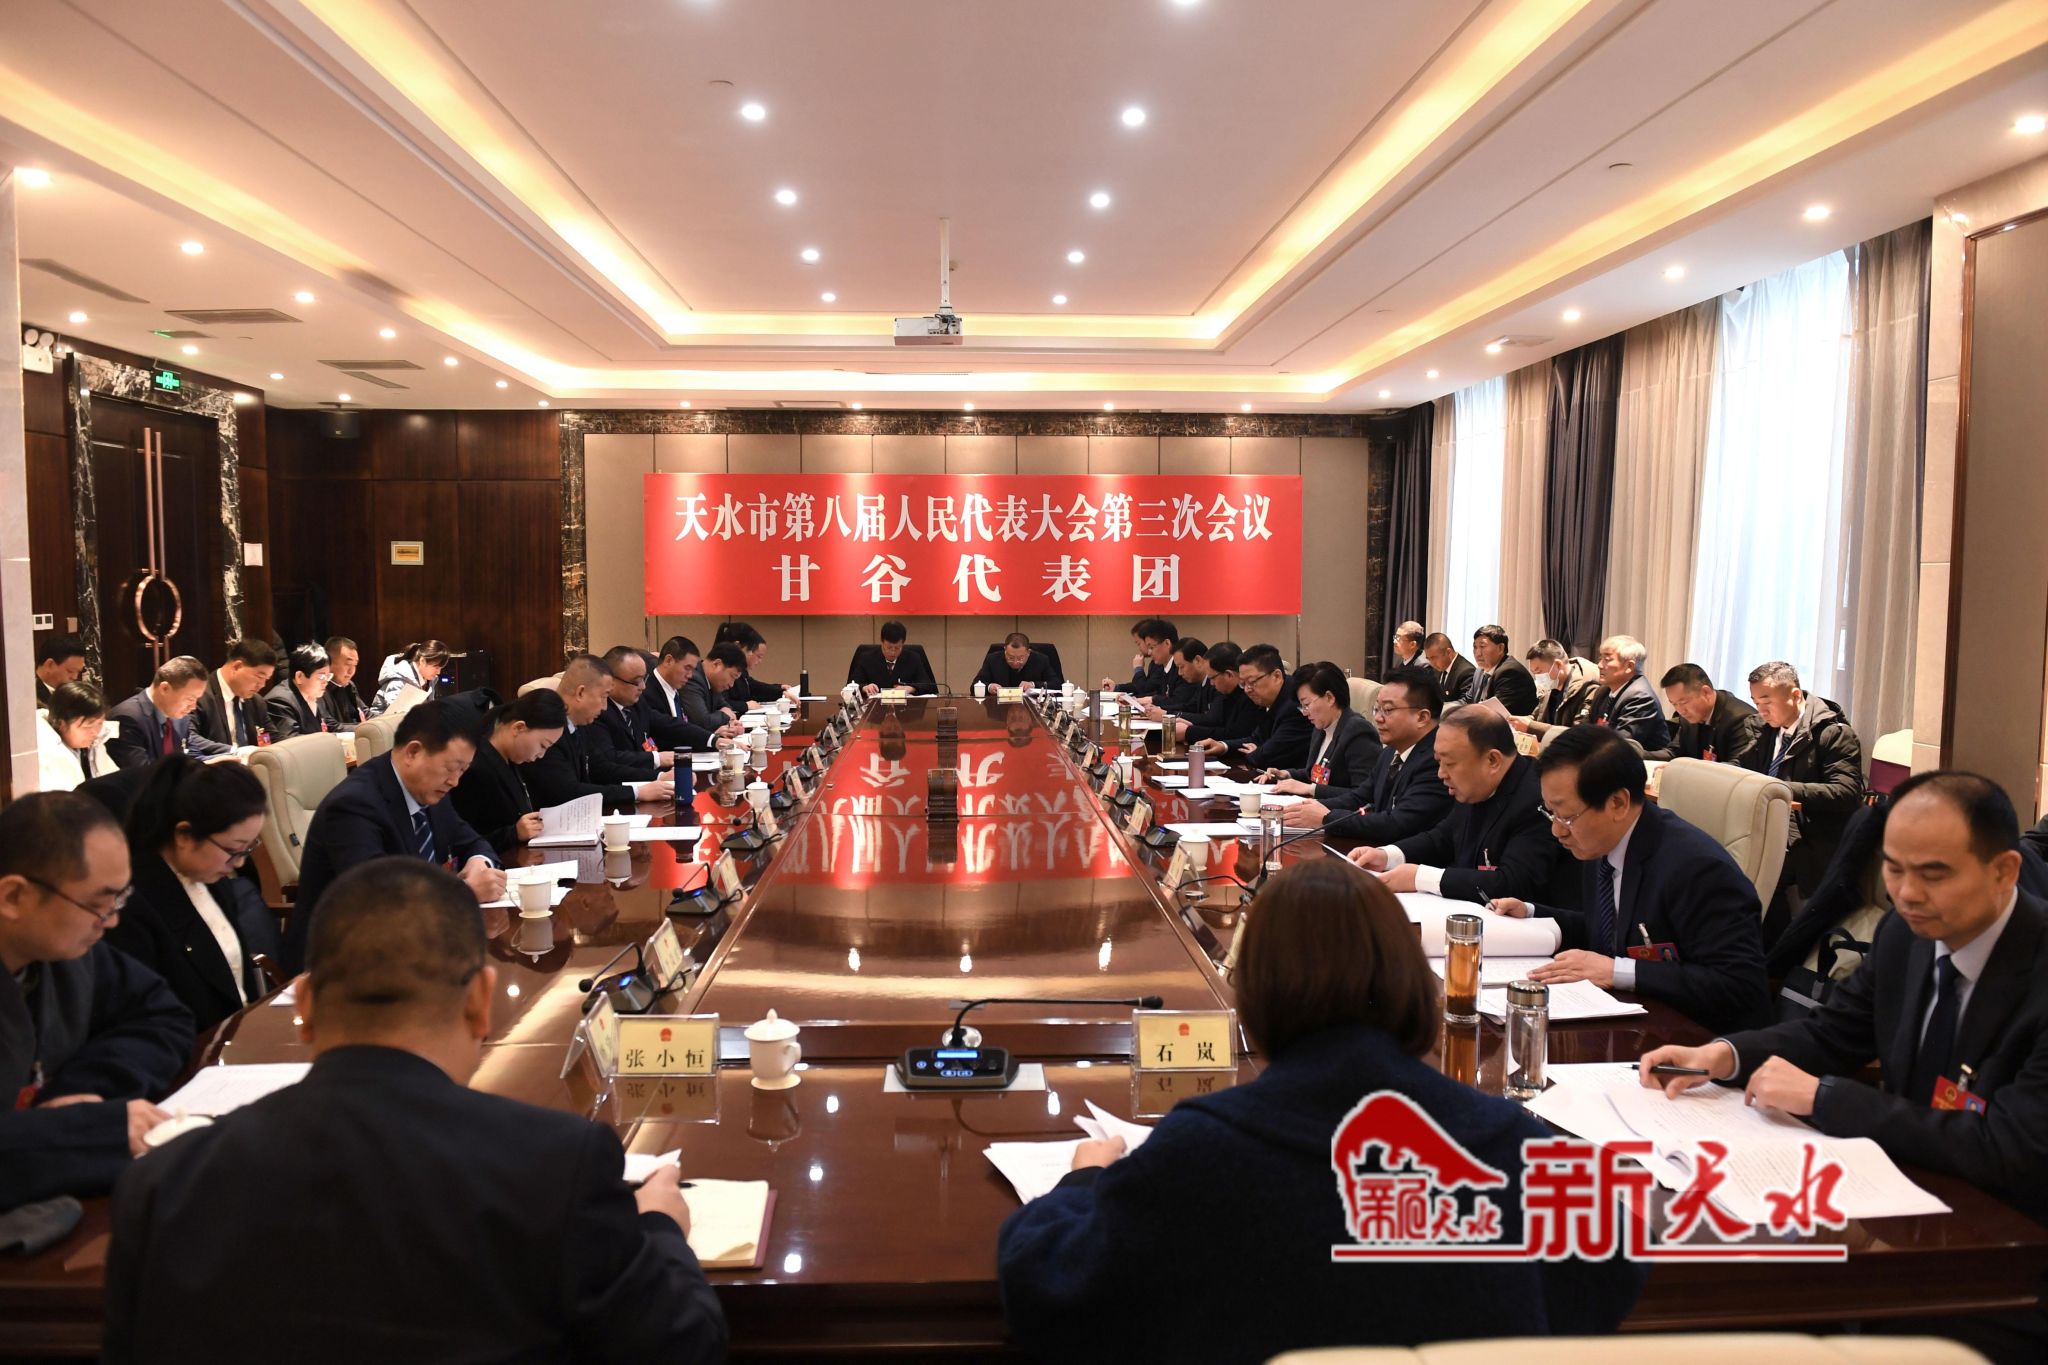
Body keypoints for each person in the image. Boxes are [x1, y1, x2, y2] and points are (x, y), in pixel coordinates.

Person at [997, 860, 1644, 1362]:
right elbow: (1610, 1267)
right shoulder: (1510, 1142)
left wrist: (1084, 1179)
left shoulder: (1202, 1150)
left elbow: (1051, 1288)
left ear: (1258, 994)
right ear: (1411, 980)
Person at [103, 857, 728, 1363]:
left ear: (305, 1006)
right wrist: (659, 1227)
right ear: (480, 1000)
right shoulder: (558, 1165)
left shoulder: (160, 1185)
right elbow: (681, 1345)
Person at [1640, 771, 2048, 1357]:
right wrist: (1724, 1054)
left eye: (1933, 874)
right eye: (1893, 869)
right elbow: (1832, 1033)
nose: (1906, 893)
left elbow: (2010, 1148)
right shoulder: (1905, 936)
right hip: (1907, 1202)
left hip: (2016, 1255)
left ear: (2004, 871)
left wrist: (1827, 1098)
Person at [1488, 727, 1771, 1032]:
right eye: (1551, 813)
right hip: (1628, 1020)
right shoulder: (1601, 843)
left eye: (1566, 816)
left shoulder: (1697, 868)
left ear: (1618, 803)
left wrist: (1617, 971)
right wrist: (1531, 913)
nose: (1557, 830)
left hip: (1695, 1038)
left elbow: (1739, 986)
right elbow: (1610, 929)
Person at [0, 792, 193, 1211]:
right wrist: (81, 1129)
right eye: (97, 904)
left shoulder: (68, 956)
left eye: (119, 899)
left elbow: (163, 1015)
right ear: (13, 897)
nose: (113, 920)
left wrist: (83, 1091)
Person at [283, 700, 505, 973]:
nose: (455, 781)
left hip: (417, 947)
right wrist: (465, 892)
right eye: (450, 768)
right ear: (413, 752)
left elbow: (473, 841)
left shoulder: (429, 789)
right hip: (343, 964)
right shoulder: (353, 806)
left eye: (463, 771)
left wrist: (479, 862)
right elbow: (377, 901)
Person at [105, 757, 279, 1034]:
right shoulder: (134, 904)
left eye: (248, 848)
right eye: (233, 850)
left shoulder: (212, 878)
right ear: (184, 835)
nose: (239, 862)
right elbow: (148, 1017)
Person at [1347, 706, 1576, 906]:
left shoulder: (1538, 798)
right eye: (1439, 762)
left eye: (1449, 763)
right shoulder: (1474, 786)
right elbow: (1443, 837)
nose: (1441, 774)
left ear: (1492, 760)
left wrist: (1421, 877)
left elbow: (1514, 883)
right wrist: (1387, 855)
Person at [1742, 660, 1865, 903]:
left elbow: (1847, 792)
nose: (1761, 711)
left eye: (1767, 703)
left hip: (1811, 834)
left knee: (1754, 876)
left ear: (1795, 696)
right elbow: (1742, 767)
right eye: (1756, 703)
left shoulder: (1833, 733)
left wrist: (1779, 788)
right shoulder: (1764, 729)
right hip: (1770, 824)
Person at [1286, 667, 1452, 840]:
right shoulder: (1390, 752)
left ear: (1422, 717)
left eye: (1388, 710)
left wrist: (1326, 817)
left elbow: (1397, 824)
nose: (1378, 718)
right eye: (1376, 709)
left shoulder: (1438, 760)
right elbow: (1359, 797)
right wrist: (1303, 808)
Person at [521, 656, 674, 815]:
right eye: (604, 696)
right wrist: (636, 792)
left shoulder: (578, 723)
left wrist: (658, 777)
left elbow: (601, 768)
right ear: (580, 693)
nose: (605, 707)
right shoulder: (546, 730)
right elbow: (568, 792)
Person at [449, 689, 568, 856]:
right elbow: (459, 842)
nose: (541, 755)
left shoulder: (511, 759)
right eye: (542, 745)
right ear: (519, 728)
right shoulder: (475, 767)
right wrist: (513, 833)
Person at [1260, 663, 1380, 800]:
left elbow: (1364, 796)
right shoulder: (1320, 728)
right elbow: (1318, 776)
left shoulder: (1358, 731)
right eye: (1302, 706)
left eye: (1306, 705)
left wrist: (1311, 789)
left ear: (1329, 698)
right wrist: (1287, 775)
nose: (1304, 713)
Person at [106, 656, 232, 769]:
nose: (193, 707)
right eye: (190, 699)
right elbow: (143, 774)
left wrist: (223, 761)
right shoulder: (127, 718)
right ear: (164, 688)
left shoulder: (181, 718)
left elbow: (191, 755)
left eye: (196, 699)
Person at [1646, 662, 1763, 766]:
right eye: (1674, 704)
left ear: (1706, 692)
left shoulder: (1741, 719)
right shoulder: (1689, 715)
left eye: (1683, 702)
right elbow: (1675, 752)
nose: (1680, 710)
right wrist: (1640, 755)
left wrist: (1686, 771)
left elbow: (1737, 767)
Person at [591, 646, 681, 778]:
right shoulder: (597, 711)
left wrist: (710, 739)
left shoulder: (636, 703)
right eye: (636, 681)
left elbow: (667, 724)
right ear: (611, 680)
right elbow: (608, 761)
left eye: (644, 679)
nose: (643, 687)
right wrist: (657, 764)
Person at [1583, 635, 1670, 753]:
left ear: (1629, 666)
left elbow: (1619, 744)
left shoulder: (1641, 698)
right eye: (1600, 658)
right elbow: (1585, 730)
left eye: (1607, 660)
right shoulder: (1603, 691)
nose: (1599, 665)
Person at [190, 638, 279, 749]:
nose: (262, 685)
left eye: (266, 679)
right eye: (260, 677)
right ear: (237, 667)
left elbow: (272, 738)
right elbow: (190, 738)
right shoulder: (198, 696)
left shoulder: (256, 702)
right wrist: (234, 752)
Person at [1238, 651, 1316, 772]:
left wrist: (1256, 753)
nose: (1247, 690)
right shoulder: (1269, 699)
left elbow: (1267, 757)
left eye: (1252, 682)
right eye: (1243, 684)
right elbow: (1257, 739)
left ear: (1276, 676)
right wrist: (1223, 746)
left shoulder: (1294, 704)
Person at [36, 680, 114, 792]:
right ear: (61, 723)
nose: (95, 732)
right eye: (88, 726)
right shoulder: (43, 753)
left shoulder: (95, 743)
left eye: (99, 724)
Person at [1515, 640, 1600, 738]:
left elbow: (1578, 734)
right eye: (1534, 673)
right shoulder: (1551, 687)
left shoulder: (1587, 689)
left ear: (1558, 665)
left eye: (1539, 672)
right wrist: (1518, 722)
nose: (1538, 678)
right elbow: (1536, 717)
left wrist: (1531, 726)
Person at [1178, 642, 1256, 748]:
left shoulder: (1251, 696)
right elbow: (1217, 724)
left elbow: (1234, 735)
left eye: (1212, 678)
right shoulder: (1226, 692)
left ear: (1229, 674)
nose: (1211, 683)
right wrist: (1192, 725)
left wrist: (1189, 732)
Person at [264, 643, 332, 740]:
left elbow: (331, 726)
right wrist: (331, 740)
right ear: (299, 676)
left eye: (328, 676)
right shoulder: (280, 701)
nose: (326, 682)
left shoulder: (316, 694)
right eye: (321, 676)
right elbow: (292, 740)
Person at [367, 639, 451, 717]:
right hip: (381, 723)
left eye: (441, 668)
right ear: (422, 661)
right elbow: (395, 714)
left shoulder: (430, 679)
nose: (438, 672)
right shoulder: (399, 679)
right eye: (436, 667)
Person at [848, 620, 938, 694]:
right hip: (875, 707)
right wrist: (864, 687)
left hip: (906, 708)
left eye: (897, 648)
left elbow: (928, 685)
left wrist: (911, 688)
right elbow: (851, 685)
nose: (893, 652)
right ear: (882, 642)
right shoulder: (867, 659)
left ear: (903, 643)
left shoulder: (913, 658)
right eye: (889, 647)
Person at [1467, 625, 1538, 714]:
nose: (1477, 653)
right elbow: (1468, 700)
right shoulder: (1479, 671)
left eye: (1482, 646)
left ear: (1500, 648)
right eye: (1475, 647)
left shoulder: (1510, 672)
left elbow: (1494, 713)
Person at [715, 622, 786, 709]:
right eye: (750, 651)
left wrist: (779, 690)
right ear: (737, 646)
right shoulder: (721, 669)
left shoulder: (740, 671)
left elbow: (751, 686)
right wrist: (745, 705)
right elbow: (719, 703)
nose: (750, 654)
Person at [1140, 638, 1211, 722]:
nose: (1179, 673)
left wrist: (1167, 715)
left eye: (1182, 667)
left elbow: (1211, 720)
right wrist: (1162, 710)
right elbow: (1189, 707)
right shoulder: (1201, 683)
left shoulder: (1215, 685)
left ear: (1198, 661)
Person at [683, 643, 745, 732]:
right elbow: (703, 722)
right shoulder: (693, 679)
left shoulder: (713, 683)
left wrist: (725, 715)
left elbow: (726, 707)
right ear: (716, 664)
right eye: (732, 676)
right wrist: (726, 715)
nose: (732, 684)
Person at [1114, 619, 1177, 700]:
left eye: (1151, 647)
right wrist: (1118, 689)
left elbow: (1145, 690)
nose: (1149, 652)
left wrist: (1139, 670)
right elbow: (1156, 693)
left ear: (1167, 643)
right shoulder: (1159, 663)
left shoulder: (1174, 666)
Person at [320, 635, 371, 732]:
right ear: (329, 662)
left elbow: (367, 714)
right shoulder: (318, 687)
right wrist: (369, 728)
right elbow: (330, 726)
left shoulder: (349, 685)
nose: (352, 671)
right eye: (348, 664)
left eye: (355, 665)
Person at [975, 632, 1057, 691]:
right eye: (1010, 657)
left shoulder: (1041, 660)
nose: (1015, 662)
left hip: (1031, 706)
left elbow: (1056, 684)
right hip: (1000, 707)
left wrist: (1033, 685)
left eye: (1020, 658)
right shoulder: (992, 659)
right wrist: (989, 687)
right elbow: (975, 684)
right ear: (1005, 650)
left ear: (1028, 652)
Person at [1420, 631, 1475, 705]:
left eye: (1434, 658)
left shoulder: (1466, 671)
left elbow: (1466, 703)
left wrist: (1440, 707)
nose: (1431, 663)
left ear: (1449, 652)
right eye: (1428, 659)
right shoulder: (1438, 668)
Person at [33, 633, 86, 706]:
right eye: (70, 671)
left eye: (78, 671)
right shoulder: (31, 696)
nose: (75, 677)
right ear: (50, 665)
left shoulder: (68, 693)